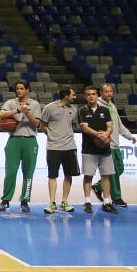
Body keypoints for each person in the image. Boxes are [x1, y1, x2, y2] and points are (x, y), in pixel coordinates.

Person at [0, 79, 43, 213]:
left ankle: (25, 201)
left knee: (28, 173)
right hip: (14, 140)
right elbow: (1, 115)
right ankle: (5, 200)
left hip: (30, 140)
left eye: (22, 88)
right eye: (17, 88)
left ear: (27, 90)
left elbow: (37, 124)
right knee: (10, 171)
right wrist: (17, 110)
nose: (19, 91)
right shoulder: (11, 103)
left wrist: (26, 112)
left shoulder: (34, 104)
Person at [92, 82, 137, 208]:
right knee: (112, 172)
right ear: (100, 93)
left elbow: (119, 125)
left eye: (111, 91)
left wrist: (130, 136)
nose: (109, 94)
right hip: (106, 145)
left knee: (120, 168)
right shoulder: (98, 107)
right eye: (106, 92)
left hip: (115, 145)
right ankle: (116, 198)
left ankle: (98, 186)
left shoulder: (112, 105)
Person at [40, 85, 79, 214]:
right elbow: (42, 125)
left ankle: (64, 201)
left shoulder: (74, 109)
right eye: (73, 94)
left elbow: (72, 126)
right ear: (66, 95)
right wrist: (52, 135)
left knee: (69, 174)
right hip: (53, 147)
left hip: (70, 146)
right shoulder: (49, 108)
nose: (75, 97)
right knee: (52, 175)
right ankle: (52, 203)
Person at [78, 85, 118, 214]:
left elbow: (110, 126)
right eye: (88, 94)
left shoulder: (105, 110)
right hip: (89, 149)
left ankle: (107, 202)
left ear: (97, 95)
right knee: (88, 176)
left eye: (93, 94)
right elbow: (84, 128)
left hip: (104, 150)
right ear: (85, 96)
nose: (91, 96)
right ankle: (87, 202)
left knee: (106, 176)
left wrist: (106, 134)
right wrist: (99, 135)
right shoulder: (82, 110)